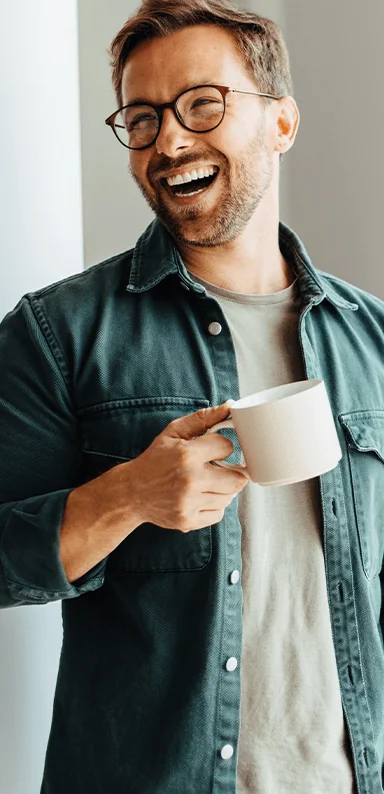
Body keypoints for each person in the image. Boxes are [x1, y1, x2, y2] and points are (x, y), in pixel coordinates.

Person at [0, 0, 383, 791]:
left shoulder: (371, 337)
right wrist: (128, 496)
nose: (169, 138)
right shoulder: (55, 333)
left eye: (202, 104)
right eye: (141, 117)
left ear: (281, 123)